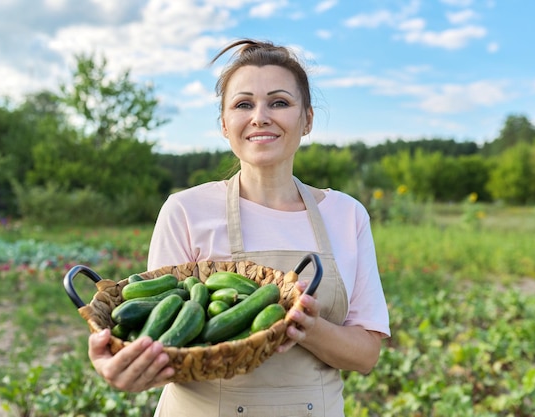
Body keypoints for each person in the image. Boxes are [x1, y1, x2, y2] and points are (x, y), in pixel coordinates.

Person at [88, 39, 391, 416]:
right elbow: (162, 337)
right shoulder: (185, 210)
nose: (260, 117)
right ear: (224, 124)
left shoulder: (347, 215)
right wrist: (122, 366)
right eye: (243, 104)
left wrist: (306, 327)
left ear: (307, 119)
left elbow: (366, 354)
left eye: (279, 102)